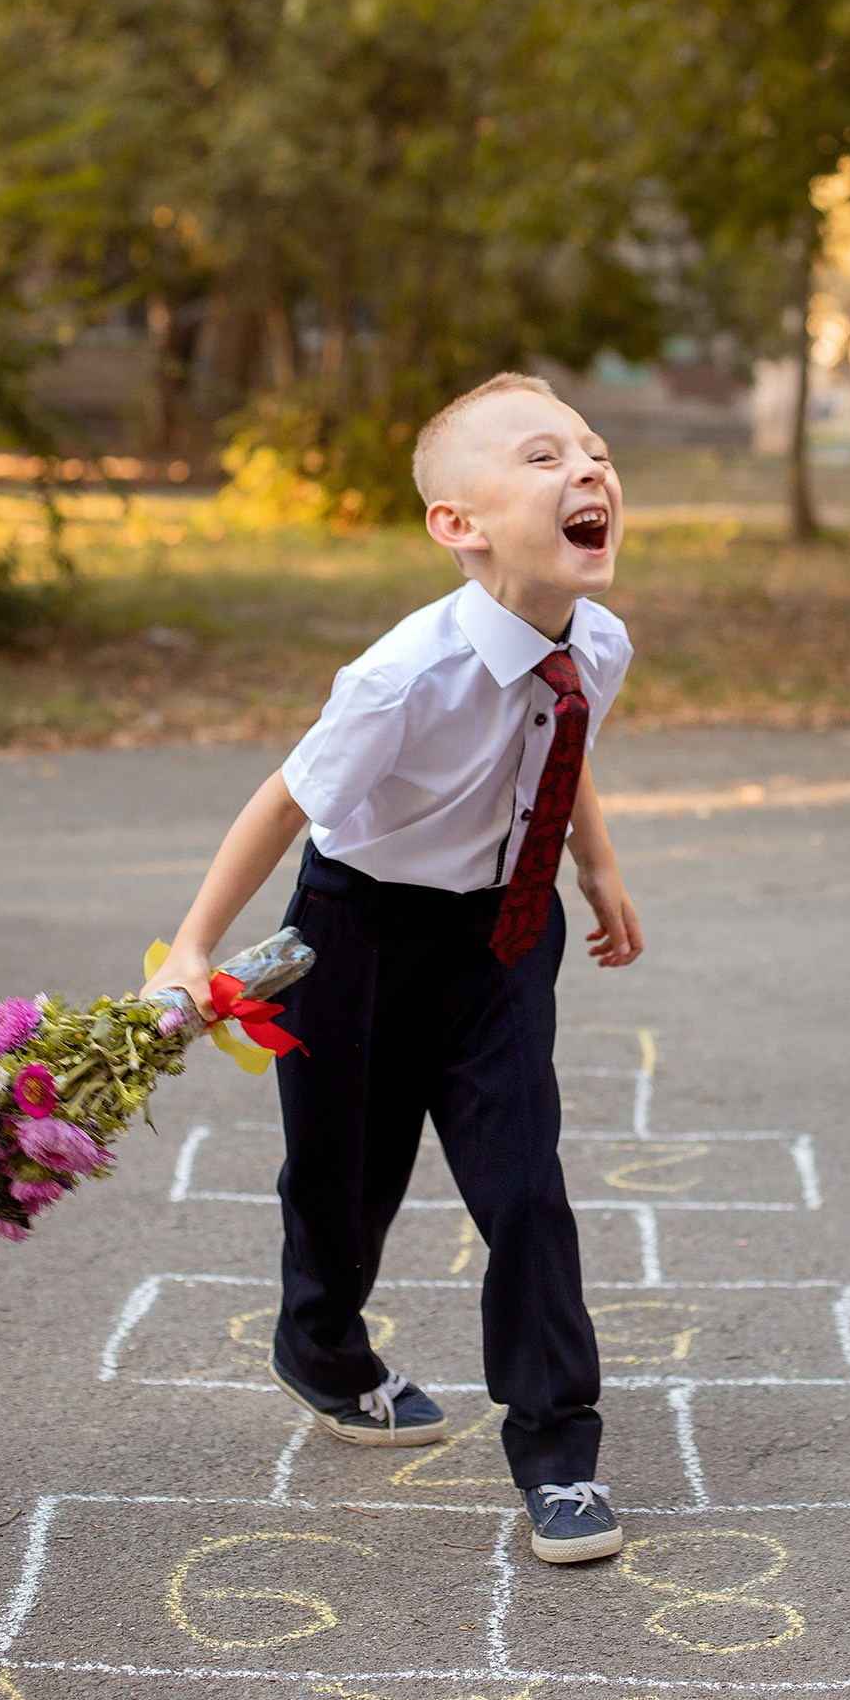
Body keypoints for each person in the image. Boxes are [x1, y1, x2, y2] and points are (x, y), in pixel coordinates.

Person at [142, 373, 643, 1564]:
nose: (587, 471)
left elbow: (557, 743)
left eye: (595, 451)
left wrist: (599, 867)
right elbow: (285, 802)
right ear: (457, 525)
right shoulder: (402, 677)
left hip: (502, 944)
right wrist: (196, 951)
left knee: (525, 1189)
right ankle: (322, 1348)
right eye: (542, 458)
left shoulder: (601, 640)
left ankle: (558, 1451)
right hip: (358, 938)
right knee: (341, 1184)